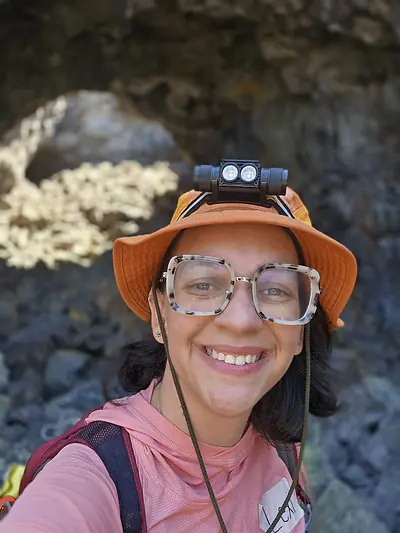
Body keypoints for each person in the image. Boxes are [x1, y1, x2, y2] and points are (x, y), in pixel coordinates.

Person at [0, 163, 357, 533]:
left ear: (300, 329)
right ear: (159, 314)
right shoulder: (96, 477)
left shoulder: (283, 446)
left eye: (276, 290)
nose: (241, 321)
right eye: (203, 285)